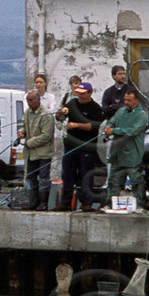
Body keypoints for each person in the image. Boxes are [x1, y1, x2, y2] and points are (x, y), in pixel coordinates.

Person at [57, 81, 105, 211]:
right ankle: (65, 201)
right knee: (67, 174)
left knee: (85, 175)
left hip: (86, 146)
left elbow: (94, 126)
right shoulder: (72, 103)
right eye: (78, 93)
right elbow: (58, 117)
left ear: (90, 93)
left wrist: (77, 125)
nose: (80, 96)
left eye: (83, 94)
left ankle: (86, 203)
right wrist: (61, 112)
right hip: (70, 145)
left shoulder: (95, 108)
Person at [103, 88, 147, 207]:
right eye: (125, 100)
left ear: (136, 100)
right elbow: (112, 121)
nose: (126, 102)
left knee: (136, 182)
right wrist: (108, 127)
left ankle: (139, 205)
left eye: (129, 100)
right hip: (117, 154)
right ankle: (110, 203)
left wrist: (115, 131)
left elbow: (132, 131)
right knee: (113, 181)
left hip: (133, 155)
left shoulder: (141, 116)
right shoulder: (120, 111)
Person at [20, 90, 54, 210]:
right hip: (30, 154)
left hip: (43, 154)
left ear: (38, 100)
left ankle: (43, 203)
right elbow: (23, 125)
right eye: (27, 100)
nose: (28, 103)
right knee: (30, 178)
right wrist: (21, 132)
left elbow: (46, 135)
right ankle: (32, 201)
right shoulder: (27, 113)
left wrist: (30, 142)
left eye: (30, 100)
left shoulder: (46, 114)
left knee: (43, 179)